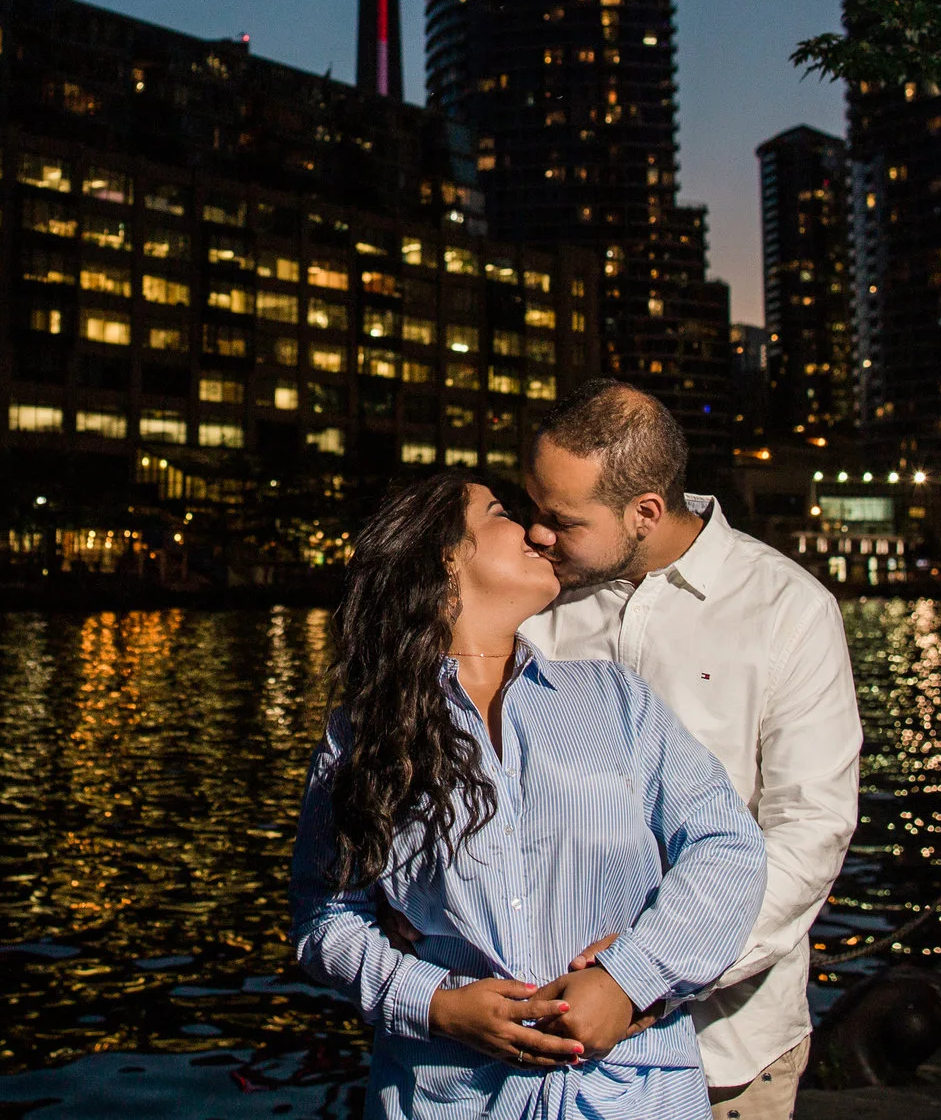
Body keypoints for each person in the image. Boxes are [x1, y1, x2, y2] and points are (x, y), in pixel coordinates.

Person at [291, 471, 769, 1119]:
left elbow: (727, 845)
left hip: (633, 1096)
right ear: (444, 557)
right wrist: (433, 1002)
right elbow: (325, 914)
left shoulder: (616, 699)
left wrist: (630, 978)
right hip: (449, 1098)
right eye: (500, 513)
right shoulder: (362, 736)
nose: (535, 532)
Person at [521, 381, 862, 1120]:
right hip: (555, 1044)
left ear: (645, 510)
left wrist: (643, 976)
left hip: (726, 1045)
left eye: (562, 519)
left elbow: (809, 832)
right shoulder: (535, 599)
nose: (538, 533)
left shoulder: (790, 610)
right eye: (534, 509)